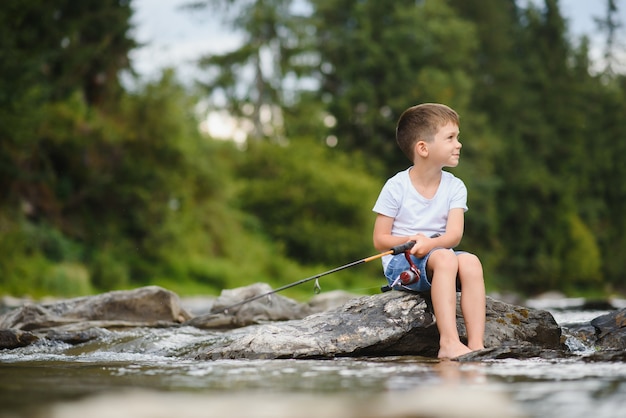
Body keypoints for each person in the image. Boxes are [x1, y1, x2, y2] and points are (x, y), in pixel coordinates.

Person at [372, 103, 485, 359]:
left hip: (439, 258)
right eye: (450, 138)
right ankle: (448, 343)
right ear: (423, 148)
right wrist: (411, 240)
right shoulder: (396, 186)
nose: (459, 144)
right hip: (403, 265)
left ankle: (477, 344)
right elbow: (380, 240)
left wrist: (430, 243)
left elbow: (454, 236)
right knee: (445, 257)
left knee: (470, 262)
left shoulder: (455, 186)